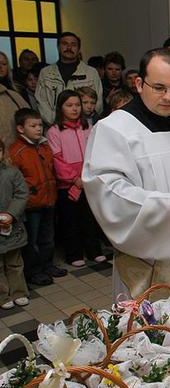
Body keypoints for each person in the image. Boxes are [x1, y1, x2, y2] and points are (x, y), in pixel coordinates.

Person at [82, 48, 170, 306]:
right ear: (139, 83)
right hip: (148, 251)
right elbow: (107, 189)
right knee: (154, 330)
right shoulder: (113, 129)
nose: (169, 97)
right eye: (159, 87)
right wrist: (165, 205)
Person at [46, 90, 104, 267]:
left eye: (77, 105)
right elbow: (57, 158)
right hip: (68, 185)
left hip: (88, 181)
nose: (74, 109)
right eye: (69, 105)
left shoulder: (88, 127)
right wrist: (74, 179)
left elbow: (97, 152)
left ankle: (94, 251)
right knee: (70, 220)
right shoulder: (54, 131)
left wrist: (86, 176)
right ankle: (74, 254)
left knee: (90, 218)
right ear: (60, 108)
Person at [9, 109, 66, 286]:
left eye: (40, 125)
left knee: (48, 237)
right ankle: (34, 271)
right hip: (31, 204)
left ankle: (47, 264)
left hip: (48, 199)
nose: (38, 129)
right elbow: (16, 181)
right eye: (32, 125)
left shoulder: (44, 146)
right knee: (31, 241)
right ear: (20, 128)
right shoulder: (16, 151)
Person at [36, 32, 103, 126]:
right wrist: (57, 123)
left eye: (73, 45)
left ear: (79, 49)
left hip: (83, 128)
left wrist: (82, 123)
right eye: (65, 44)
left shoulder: (91, 73)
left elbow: (98, 102)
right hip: (54, 127)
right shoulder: (46, 73)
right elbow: (42, 102)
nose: (69, 48)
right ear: (58, 47)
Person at [0, 138, 29, 309]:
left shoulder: (12, 173)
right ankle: (3, 296)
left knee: (15, 262)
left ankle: (19, 292)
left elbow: (21, 194)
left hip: (10, 226)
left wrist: (11, 213)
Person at [0, 54, 30, 148]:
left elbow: (29, 117)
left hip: (19, 148)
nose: (0, 67)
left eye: (4, 64)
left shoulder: (18, 91)